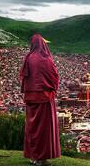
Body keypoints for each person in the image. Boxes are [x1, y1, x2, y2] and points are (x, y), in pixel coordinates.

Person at [20, 34, 61, 165]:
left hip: (31, 98)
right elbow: (54, 76)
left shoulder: (28, 58)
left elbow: (24, 78)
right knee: (43, 129)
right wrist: (53, 88)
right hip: (44, 97)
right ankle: (41, 158)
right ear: (43, 44)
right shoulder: (46, 59)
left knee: (32, 128)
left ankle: (33, 157)